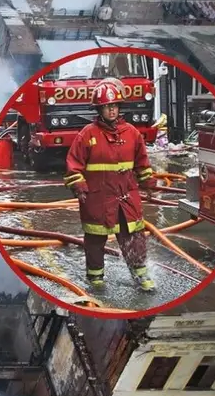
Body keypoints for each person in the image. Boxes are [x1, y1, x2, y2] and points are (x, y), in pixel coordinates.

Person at [64, 80, 158, 292]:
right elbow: (73, 165)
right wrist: (79, 185)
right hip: (97, 198)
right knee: (95, 239)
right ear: (99, 109)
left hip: (126, 196)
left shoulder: (132, 133)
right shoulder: (87, 134)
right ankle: (96, 278)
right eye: (107, 106)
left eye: (115, 105)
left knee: (133, 236)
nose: (112, 110)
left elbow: (142, 162)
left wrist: (148, 182)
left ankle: (140, 275)